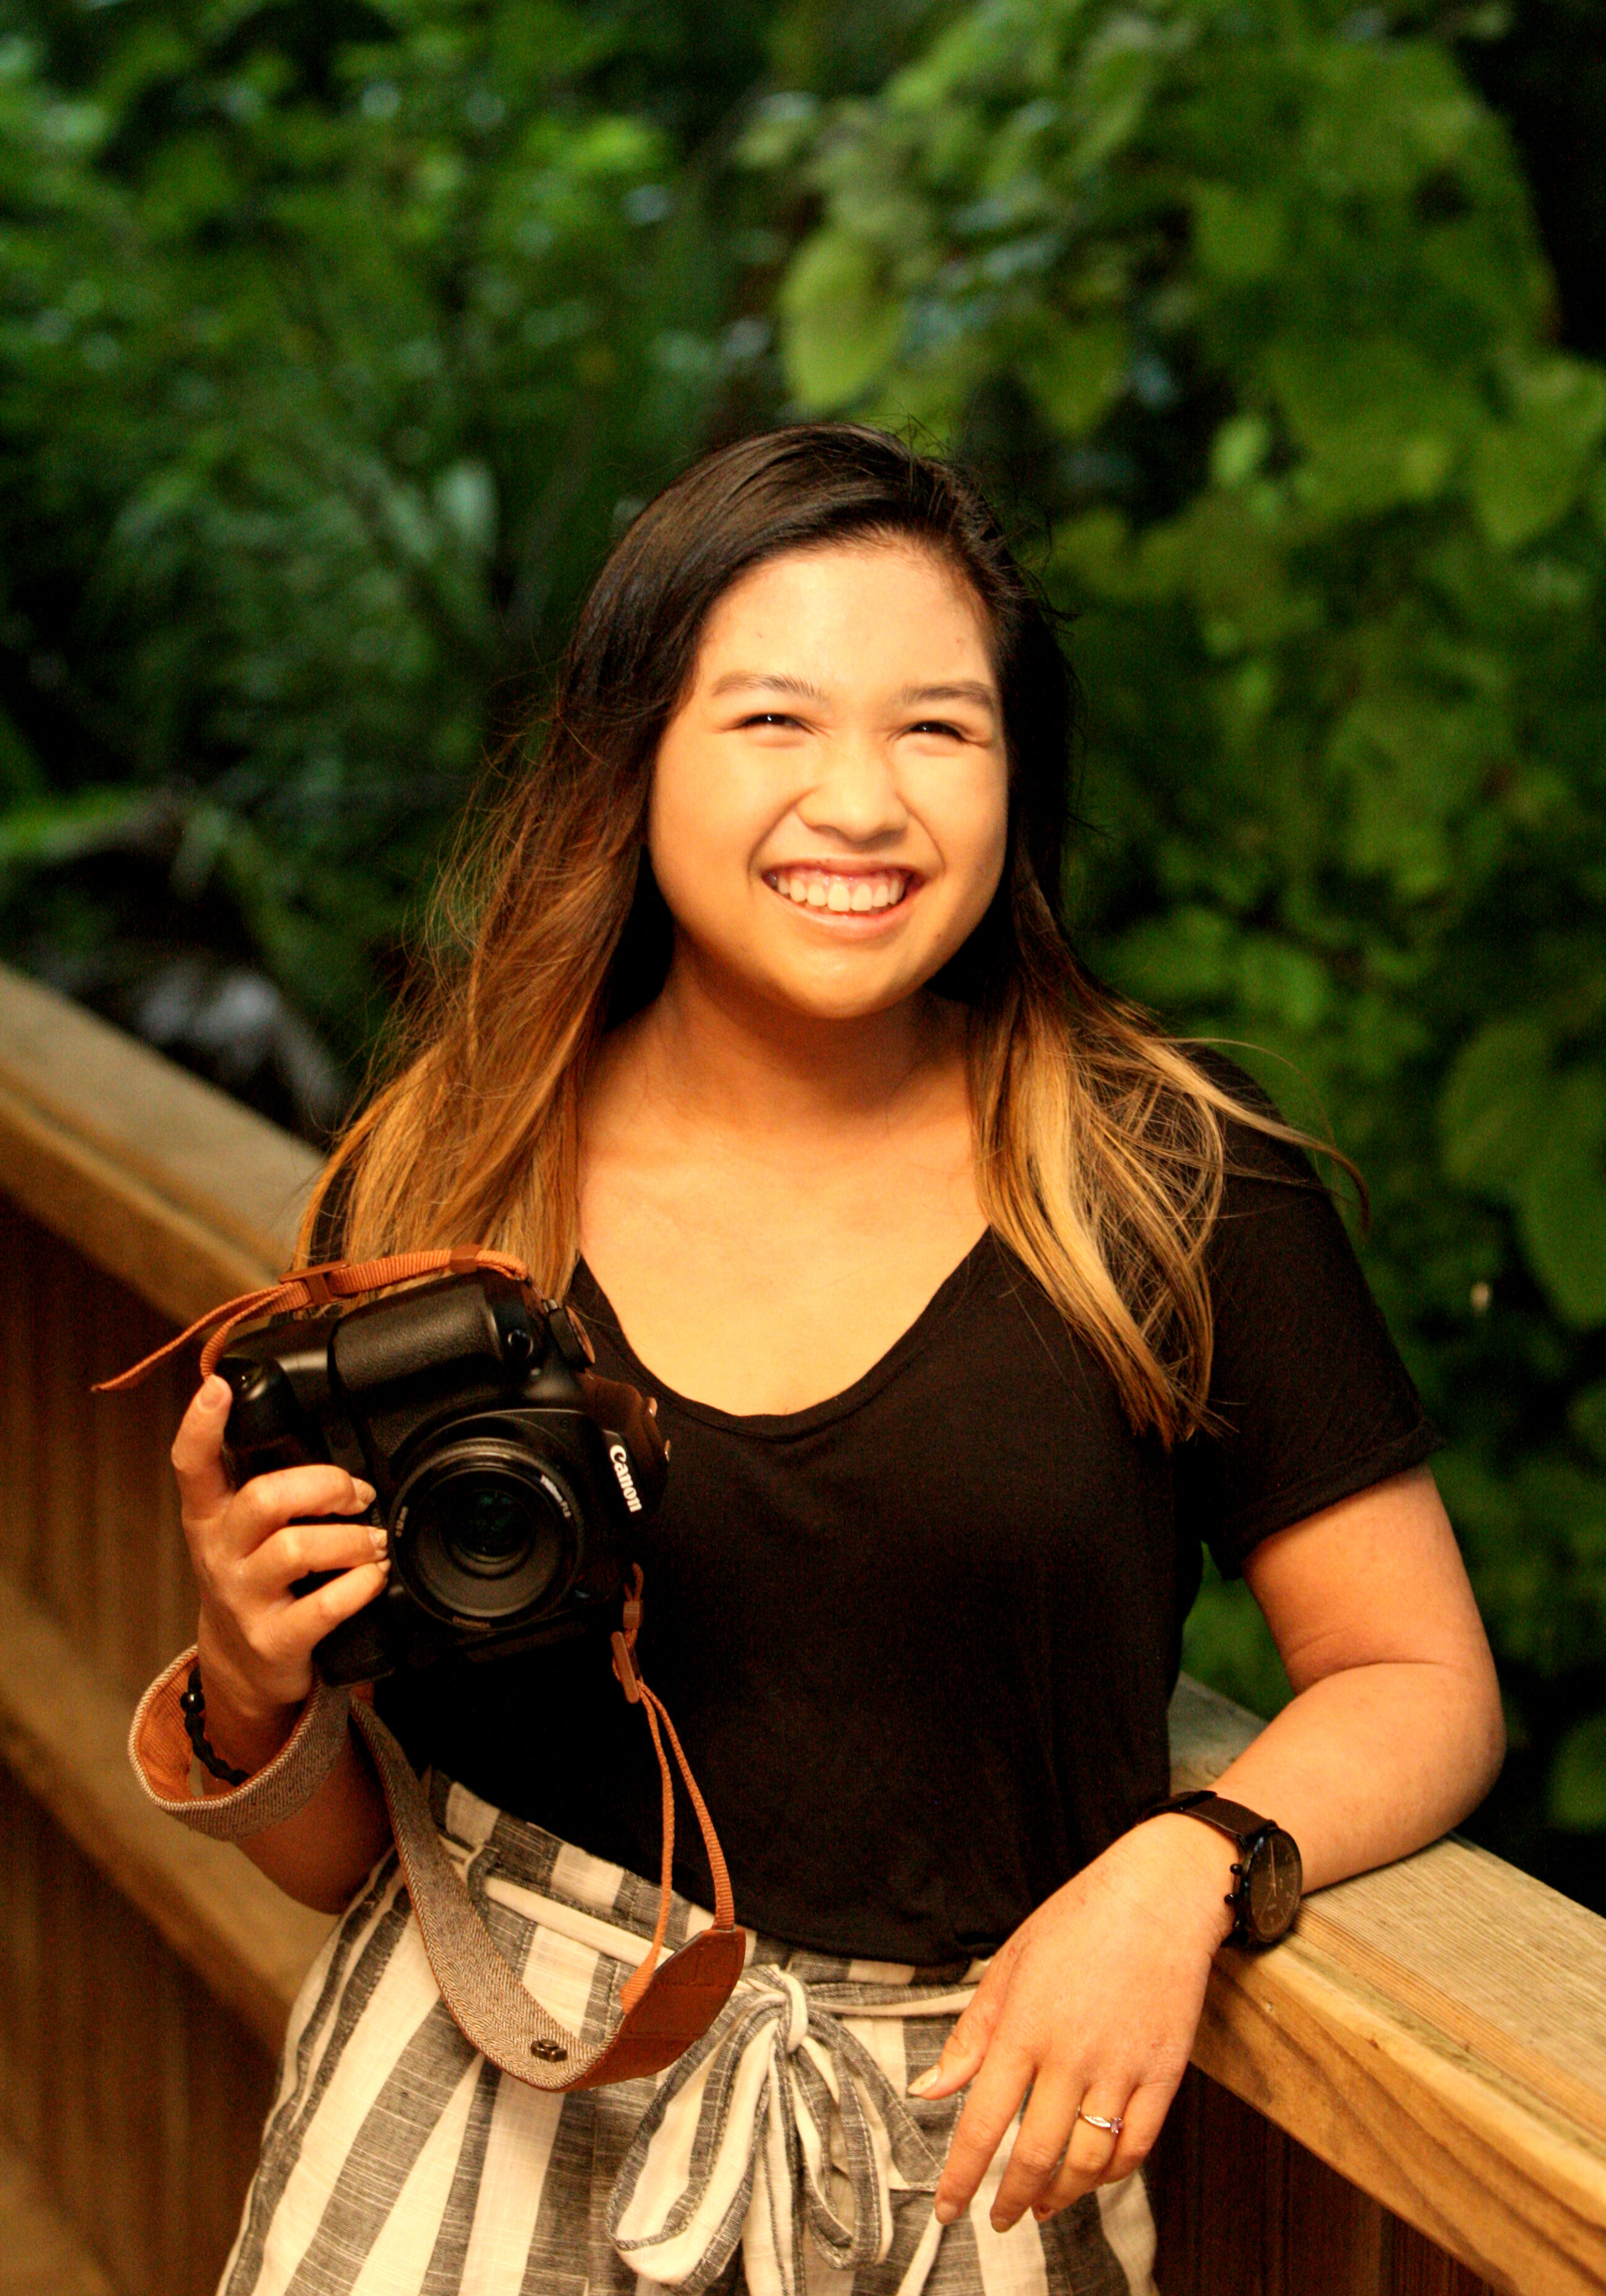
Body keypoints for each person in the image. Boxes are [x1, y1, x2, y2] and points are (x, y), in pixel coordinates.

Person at [160, 424, 1504, 2295]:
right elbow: (338, 1851)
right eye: (774, 723)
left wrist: (1185, 1868)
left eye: (937, 727)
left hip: (972, 2150)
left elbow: (1419, 1672)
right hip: (478, 2108)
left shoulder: (1170, 1180)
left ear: (1015, 779)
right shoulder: (459, 1174)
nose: (860, 802)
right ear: (635, 765)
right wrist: (244, 1673)